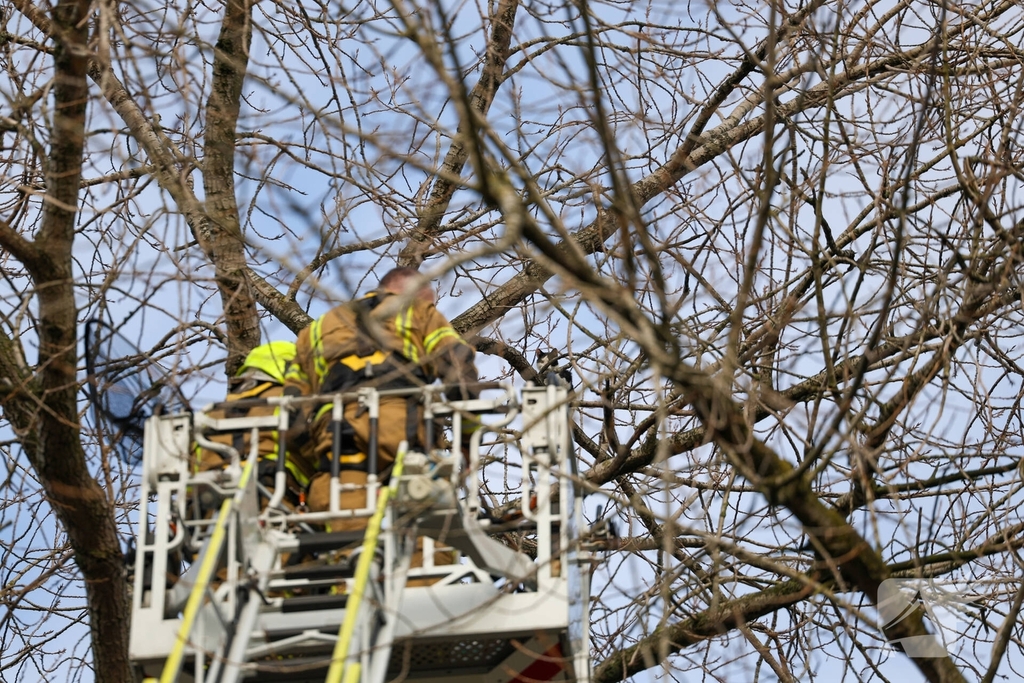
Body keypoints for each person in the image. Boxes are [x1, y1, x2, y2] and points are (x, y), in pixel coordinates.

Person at [284, 266, 479, 528]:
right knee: (427, 536)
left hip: (336, 440)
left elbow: (292, 409)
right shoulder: (418, 311)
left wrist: (316, 453)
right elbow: (459, 369)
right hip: (401, 429)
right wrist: (466, 442)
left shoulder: (316, 330)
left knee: (349, 538)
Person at [195, 340, 315, 507]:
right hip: (274, 501)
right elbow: (318, 450)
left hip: (206, 506)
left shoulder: (208, 414)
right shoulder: (288, 402)